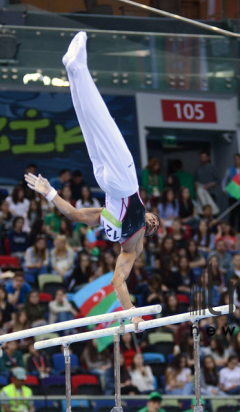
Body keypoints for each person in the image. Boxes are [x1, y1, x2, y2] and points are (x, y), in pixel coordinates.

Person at [25, 32, 160, 331]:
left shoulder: (129, 249)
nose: (152, 223)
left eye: (152, 225)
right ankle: (74, 68)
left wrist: (49, 193)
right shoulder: (124, 230)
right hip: (114, 182)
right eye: (154, 221)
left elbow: (116, 280)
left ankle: (77, 69)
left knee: (96, 121)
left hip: (115, 182)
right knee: (93, 120)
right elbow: (76, 216)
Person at [222, 153, 240, 232]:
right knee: (233, 213)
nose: (236, 161)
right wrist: (224, 189)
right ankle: (231, 230)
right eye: (235, 159)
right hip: (233, 194)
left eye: (238, 159)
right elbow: (224, 180)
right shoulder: (230, 170)